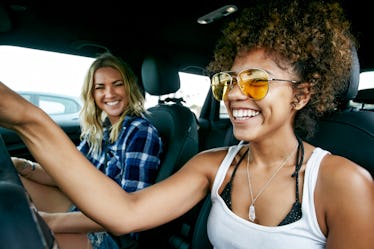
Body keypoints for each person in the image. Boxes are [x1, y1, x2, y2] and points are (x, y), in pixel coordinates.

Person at [0, 1, 373, 248]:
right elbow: (124, 213)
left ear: (301, 95)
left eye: (256, 80)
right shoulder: (213, 165)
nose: (235, 95)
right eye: (228, 81)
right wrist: (29, 120)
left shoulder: (343, 184)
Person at [10, 52, 163, 249]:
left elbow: (129, 211)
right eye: (100, 87)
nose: (109, 94)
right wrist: (22, 166)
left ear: (129, 87)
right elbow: (65, 175)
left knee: (23, 233)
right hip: (86, 208)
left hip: (110, 232)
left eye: (117, 84)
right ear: (92, 93)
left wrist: (50, 221)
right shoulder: (100, 130)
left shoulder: (141, 132)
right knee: (12, 187)